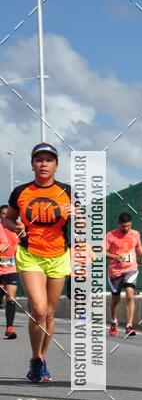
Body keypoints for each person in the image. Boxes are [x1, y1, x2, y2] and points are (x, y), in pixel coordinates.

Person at [4, 144, 72, 382]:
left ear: (56, 165)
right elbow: (8, 219)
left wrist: (77, 213)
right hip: (31, 255)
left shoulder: (67, 191)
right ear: (32, 164)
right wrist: (16, 227)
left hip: (58, 256)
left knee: (51, 313)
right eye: (39, 160)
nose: (44, 164)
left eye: (49, 160)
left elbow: (86, 225)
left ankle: (42, 358)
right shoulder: (21, 192)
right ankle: (35, 358)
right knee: (39, 310)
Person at [104, 212, 142, 337]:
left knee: (130, 293)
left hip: (131, 268)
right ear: (119, 224)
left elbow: (138, 245)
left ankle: (129, 326)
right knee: (116, 298)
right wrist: (114, 257)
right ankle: (113, 322)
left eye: (128, 226)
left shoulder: (135, 234)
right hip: (115, 271)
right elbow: (102, 251)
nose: (126, 229)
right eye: (124, 226)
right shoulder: (111, 235)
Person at [0, 204, 20, 339]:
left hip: (11, 268)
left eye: (9, 214)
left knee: (11, 297)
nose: (7, 216)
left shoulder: (18, 229)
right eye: (3, 214)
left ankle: (9, 328)